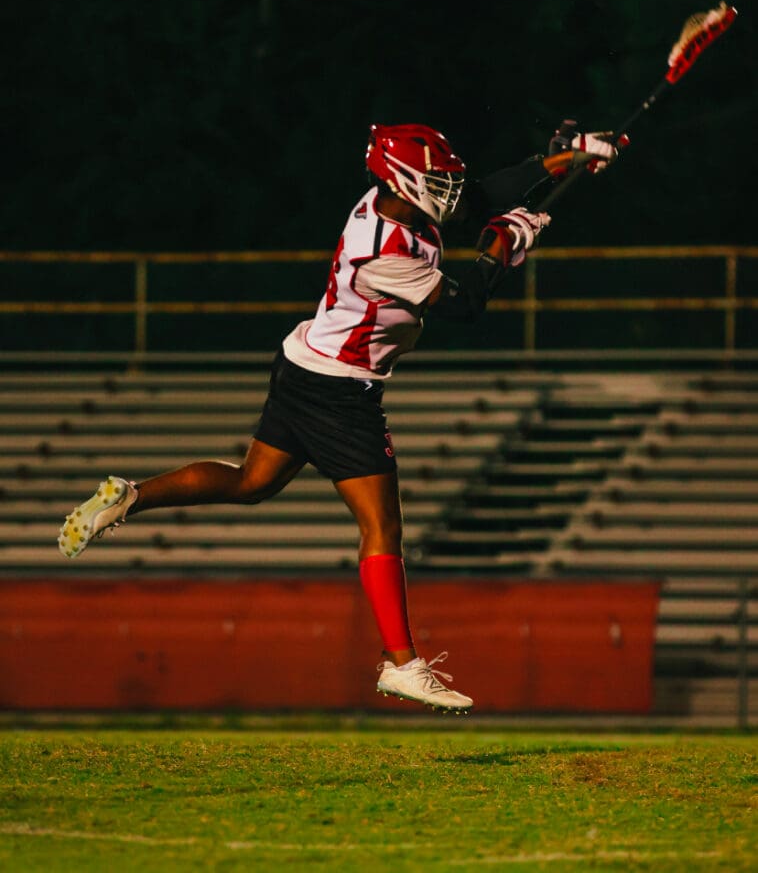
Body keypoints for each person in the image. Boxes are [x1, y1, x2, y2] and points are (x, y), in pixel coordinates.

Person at [57, 121, 620, 712]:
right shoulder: (383, 248)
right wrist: (502, 247)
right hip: (340, 389)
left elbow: (483, 193)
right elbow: (466, 303)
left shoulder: (397, 203)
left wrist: (569, 159)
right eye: (436, 180)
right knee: (383, 530)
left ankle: (131, 496)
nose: (449, 190)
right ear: (403, 179)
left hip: (306, 363)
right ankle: (402, 664)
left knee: (253, 481)